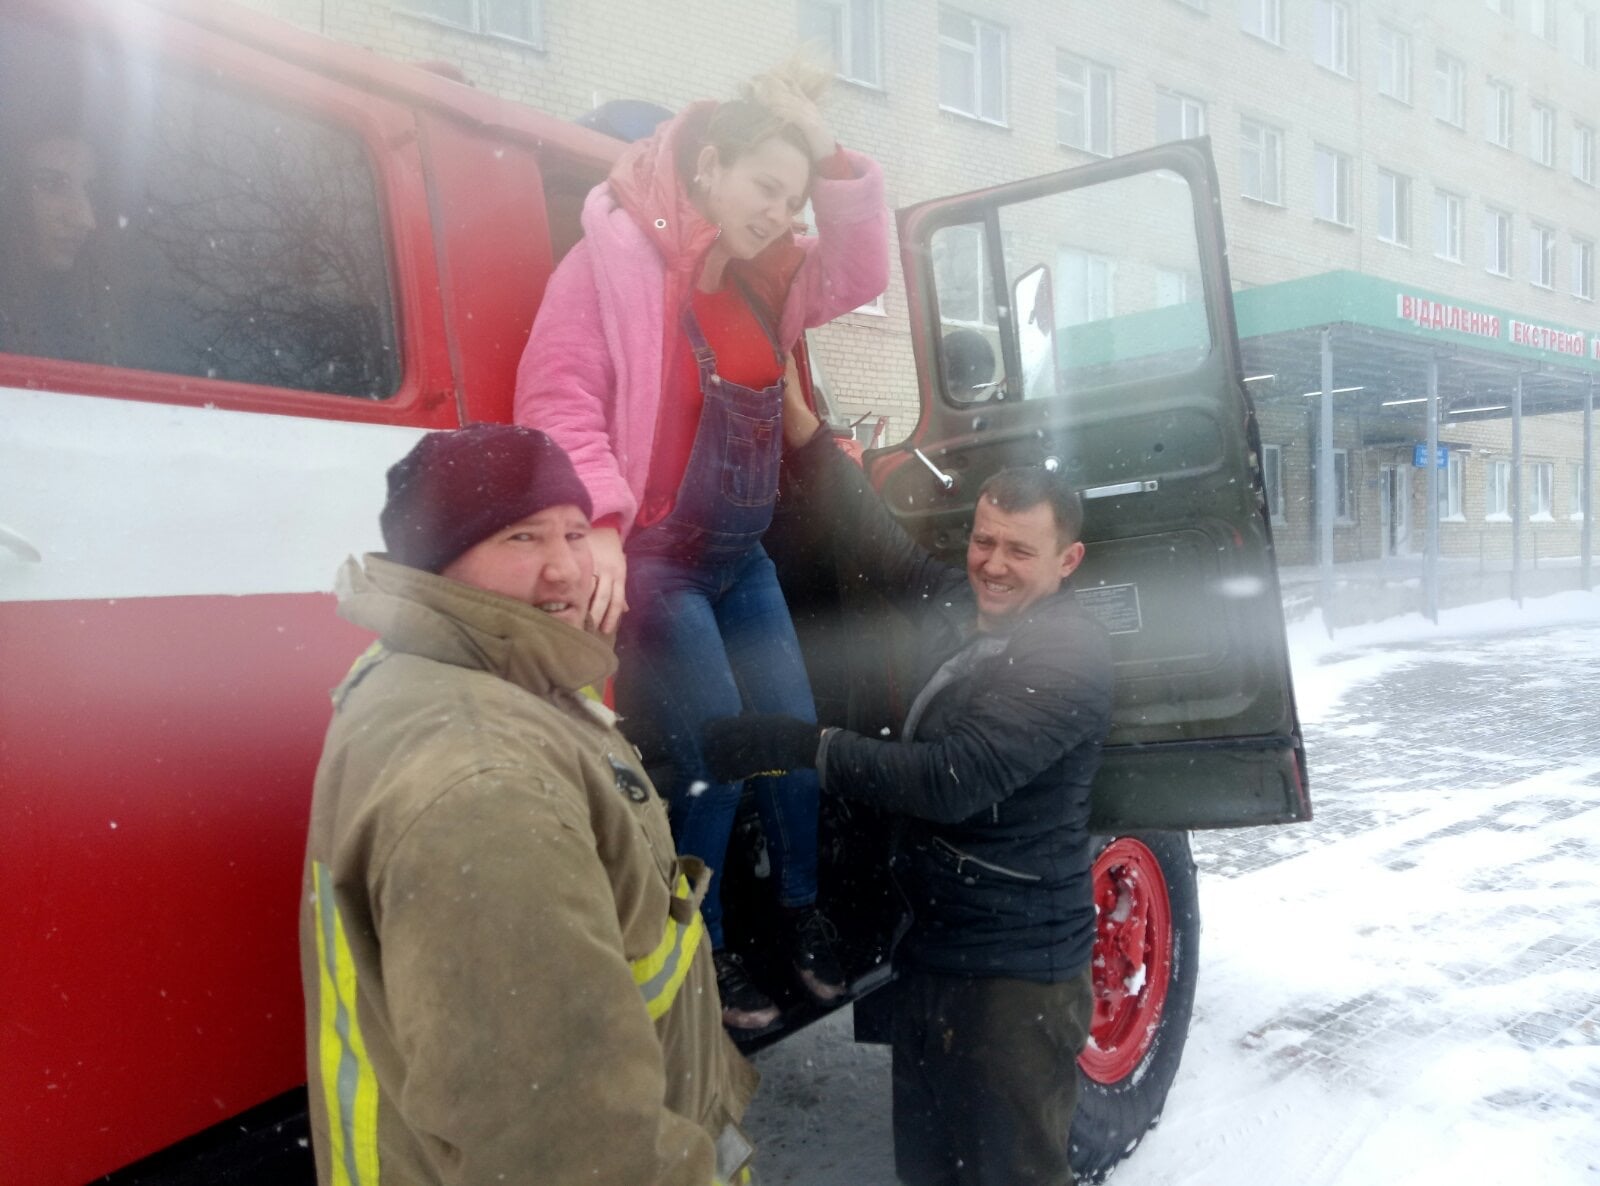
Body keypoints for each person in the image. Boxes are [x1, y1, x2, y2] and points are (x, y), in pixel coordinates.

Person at [514, 59, 889, 1029]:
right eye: (765, 187)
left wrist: (827, 153)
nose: (779, 213)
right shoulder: (610, 263)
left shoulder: (771, 281)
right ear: (710, 168)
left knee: (793, 735)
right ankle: (703, 947)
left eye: (793, 199)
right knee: (715, 749)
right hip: (660, 559)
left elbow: (863, 270)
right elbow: (557, 399)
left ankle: (799, 915)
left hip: (741, 559)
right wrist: (599, 529)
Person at [298, 424, 757, 1186]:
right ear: (435, 559)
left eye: (576, 533)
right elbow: (569, 1145)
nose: (566, 568)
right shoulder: (484, 784)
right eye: (522, 537)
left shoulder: (479, 674)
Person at [703, 390, 1115, 1186]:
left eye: (1019, 551)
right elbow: (883, 549)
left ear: (1067, 562)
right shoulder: (967, 607)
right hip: (932, 954)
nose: (992, 564)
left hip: (1013, 979)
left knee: (1012, 1174)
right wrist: (807, 433)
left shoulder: (1070, 655)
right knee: (929, 1170)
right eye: (984, 541)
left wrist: (802, 746)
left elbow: (951, 778)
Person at [0, 127, 116, 363]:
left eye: (91, 192)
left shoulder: (96, 313)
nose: (86, 219)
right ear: (10, 194)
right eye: (53, 185)